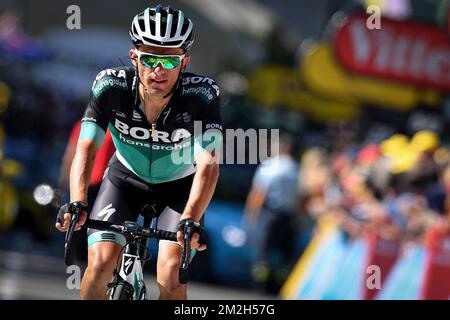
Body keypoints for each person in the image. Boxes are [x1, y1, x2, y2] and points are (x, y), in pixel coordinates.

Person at [55, 5, 222, 300]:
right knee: (100, 264)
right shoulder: (110, 86)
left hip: (179, 188)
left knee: (171, 275)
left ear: (185, 62)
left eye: (170, 62)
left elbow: (208, 163)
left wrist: (192, 218)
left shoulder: (202, 95)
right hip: (125, 180)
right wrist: (78, 200)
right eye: (150, 59)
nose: (159, 71)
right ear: (135, 57)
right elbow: (87, 146)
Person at [244, 134, 300, 293]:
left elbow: (259, 193)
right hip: (288, 216)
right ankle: (279, 286)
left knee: (262, 252)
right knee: (284, 253)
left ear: (281, 148)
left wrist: (251, 215)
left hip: (269, 214)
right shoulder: (296, 169)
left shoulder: (270, 166)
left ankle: (259, 286)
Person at [58, 119, 115, 263]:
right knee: (79, 220)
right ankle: (76, 256)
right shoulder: (83, 125)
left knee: (98, 220)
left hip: (106, 183)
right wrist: (64, 178)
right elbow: (72, 151)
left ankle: (90, 255)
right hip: (85, 182)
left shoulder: (116, 125)